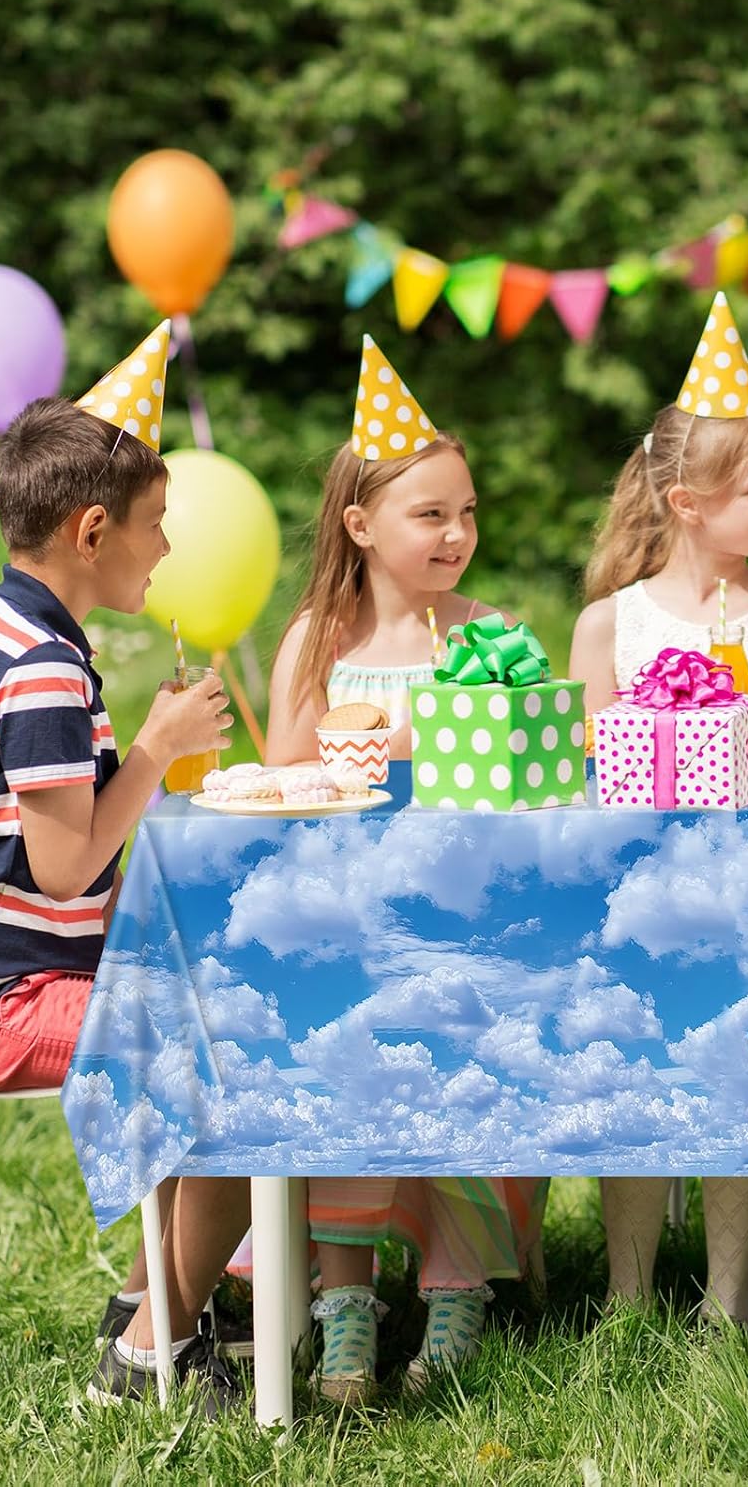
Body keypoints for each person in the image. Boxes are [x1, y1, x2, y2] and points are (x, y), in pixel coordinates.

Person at [569, 292, 748, 1330]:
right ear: (688, 504)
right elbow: (596, 781)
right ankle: (628, 1294)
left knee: (742, 1069)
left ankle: (728, 1297)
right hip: (644, 905)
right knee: (636, 1073)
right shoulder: (611, 625)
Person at [267, 336, 548, 1401]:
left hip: (467, 921)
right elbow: (285, 780)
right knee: (340, 1067)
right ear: (359, 525)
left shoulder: (492, 636)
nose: (459, 534)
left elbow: (532, 771)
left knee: (466, 1062)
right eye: (431, 514)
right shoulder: (316, 642)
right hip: (341, 921)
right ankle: (344, 1303)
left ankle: (458, 1285)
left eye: (467, 512)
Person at [0, 323, 248, 1415]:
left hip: (29, 975)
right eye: (155, 530)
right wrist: (154, 748)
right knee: (246, 1070)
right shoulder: (43, 667)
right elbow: (61, 869)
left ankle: (154, 1303)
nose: (168, 553)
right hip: (16, 997)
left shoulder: (15, 628)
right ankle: (149, 1355)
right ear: (92, 531)